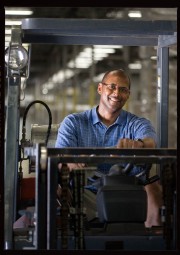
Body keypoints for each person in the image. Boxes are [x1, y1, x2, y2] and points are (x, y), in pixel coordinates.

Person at [55, 69, 163, 228]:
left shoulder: (137, 124)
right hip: (85, 192)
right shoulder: (73, 123)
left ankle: (153, 243)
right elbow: (61, 158)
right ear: (100, 88)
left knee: (154, 190)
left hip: (129, 191)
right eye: (111, 87)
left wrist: (138, 145)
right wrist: (70, 164)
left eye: (123, 89)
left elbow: (151, 142)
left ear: (128, 95)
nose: (116, 93)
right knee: (54, 192)